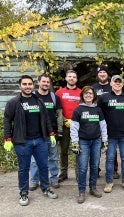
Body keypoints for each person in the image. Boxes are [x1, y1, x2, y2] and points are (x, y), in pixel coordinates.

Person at [3, 75, 58, 206]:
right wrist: (7, 138)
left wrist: (50, 133)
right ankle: (23, 192)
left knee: (44, 166)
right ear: (20, 86)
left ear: (33, 86)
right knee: (24, 168)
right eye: (24, 84)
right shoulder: (14, 102)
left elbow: (46, 119)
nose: (27, 86)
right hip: (22, 142)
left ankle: (45, 188)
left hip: (40, 140)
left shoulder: (39, 101)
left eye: (29, 84)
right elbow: (7, 120)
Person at [98, 75, 124, 193]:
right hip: (109, 135)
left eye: (119, 82)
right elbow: (98, 115)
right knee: (110, 159)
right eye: (115, 82)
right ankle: (109, 182)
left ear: (122, 84)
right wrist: (100, 131)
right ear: (110, 84)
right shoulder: (104, 98)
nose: (117, 84)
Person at [70, 86, 108, 203]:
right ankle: (82, 192)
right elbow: (74, 128)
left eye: (90, 94)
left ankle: (93, 188)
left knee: (94, 166)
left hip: (96, 141)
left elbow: (103, 126)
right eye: (86, 94)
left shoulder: (98, 110)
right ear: (82, 96)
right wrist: (75, 142)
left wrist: (105, 141)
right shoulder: (78, 110)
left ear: (94, 96)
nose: (88, 95)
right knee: (82, 168)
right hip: (83, 142)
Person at [29, 74, 63, 191]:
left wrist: (59, 131)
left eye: (48, 82)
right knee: (35, 160)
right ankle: (34, 180)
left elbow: (59, 115)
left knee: (53, 158)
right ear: (38, 82)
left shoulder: (54, 97)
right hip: (36, 134)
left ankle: (54, 179)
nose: (45, 84)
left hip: (51, 134)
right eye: (43, 81)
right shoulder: (32, 97)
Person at [92, 65, 120, 179]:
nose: (102, 74)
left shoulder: (112, 86)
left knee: (112, 147)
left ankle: (114, 169)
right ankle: (96, 169)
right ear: (97, 75)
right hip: (96, 121)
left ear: (107, 74)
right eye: (100, 73)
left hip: (111, 121)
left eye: (104, 72)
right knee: (97, 147)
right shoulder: (93, 88)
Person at [55, 69, 82, 182]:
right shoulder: (59, 93)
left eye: (74, 77)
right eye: (69, 76)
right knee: (64, 150)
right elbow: (56, 110)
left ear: (76, 79)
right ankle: (64, 172)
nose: (72, 78)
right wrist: (65, 120)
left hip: (78, 126)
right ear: (66, 78)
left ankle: (78, 173)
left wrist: (77, 121)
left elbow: (84, 108)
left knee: (78, 150)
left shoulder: (81, 92)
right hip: (64, 126)